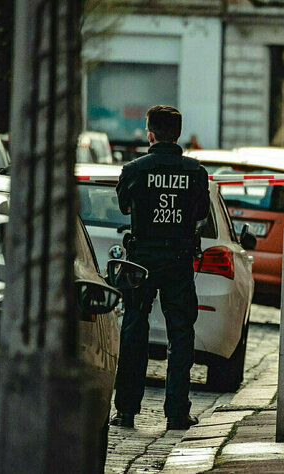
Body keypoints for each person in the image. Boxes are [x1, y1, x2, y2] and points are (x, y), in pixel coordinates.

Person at [110, 105, 210, 430]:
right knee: (181, 335)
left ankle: (126, 410)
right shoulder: (195, 172)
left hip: (142, 258)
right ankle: (177, 413)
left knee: (134, 330)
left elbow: (124, 205)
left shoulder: (136, 169)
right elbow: (200, 216)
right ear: (177, 133)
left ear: (150, 133)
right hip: (178, 260)